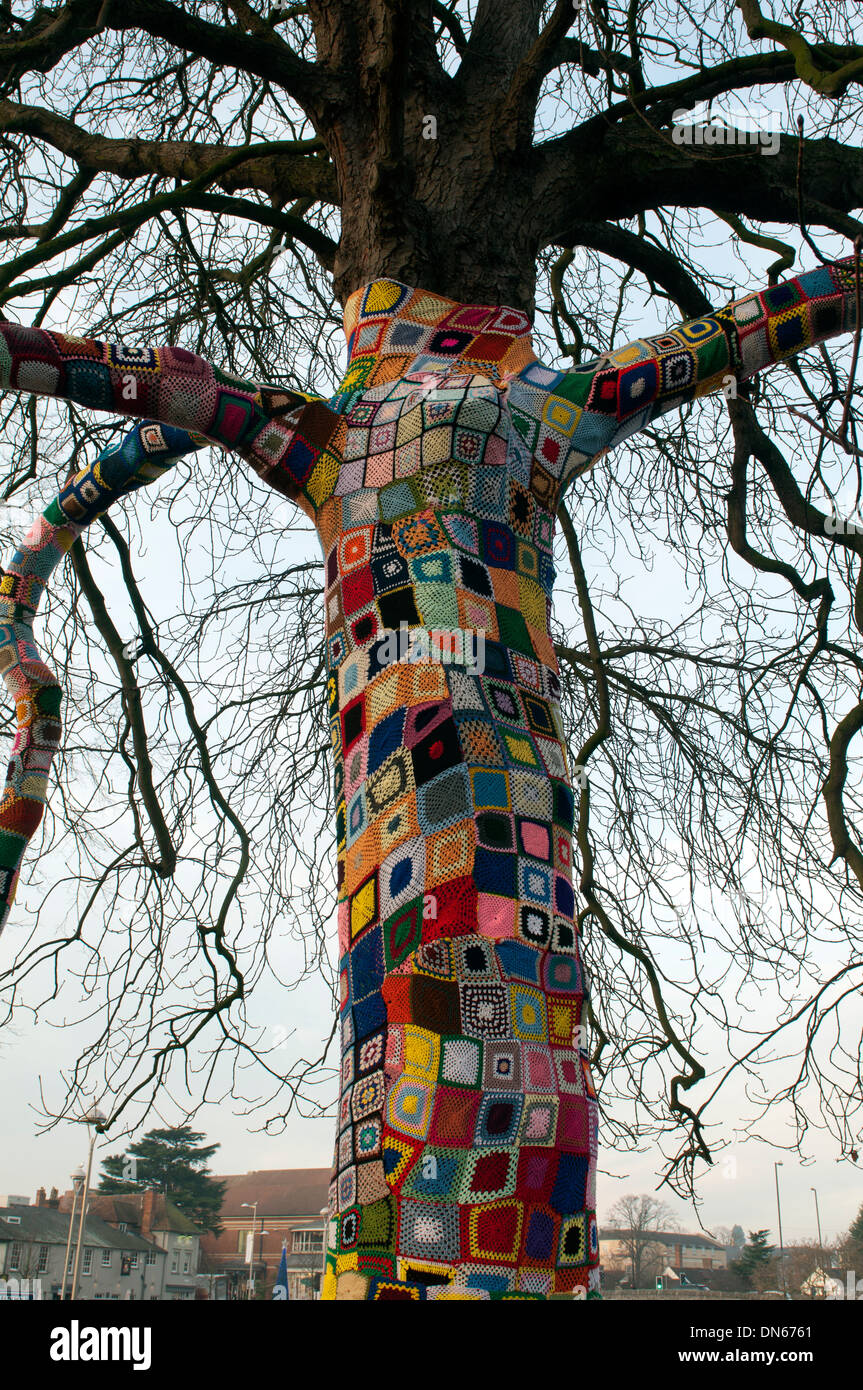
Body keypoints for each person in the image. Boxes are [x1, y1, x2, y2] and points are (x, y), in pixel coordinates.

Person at [0, 254, 857, 1299]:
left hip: (460, 818)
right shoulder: (493, 412)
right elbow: (739, 329)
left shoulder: (367, 430)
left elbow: (117, 377)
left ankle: (442, 1238)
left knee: (463, 1028)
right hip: (469, 819)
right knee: (462, 1025)